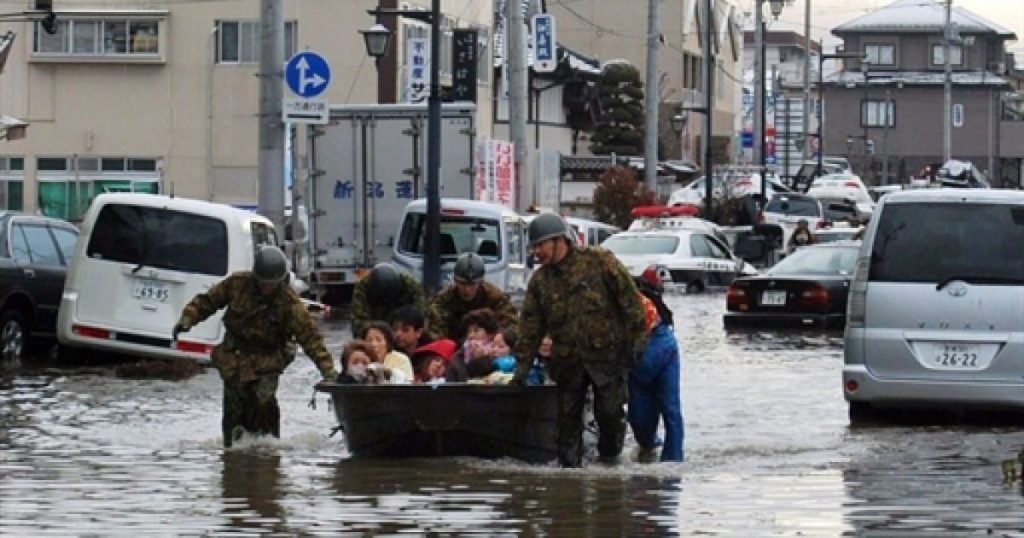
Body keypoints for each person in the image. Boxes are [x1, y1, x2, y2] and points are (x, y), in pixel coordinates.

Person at [512, 213, 647, 467]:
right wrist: (521, 370)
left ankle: (609, 466)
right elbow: (530, 328)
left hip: (606, 359)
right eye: (534, 247)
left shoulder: (599, 262)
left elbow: (631, 303)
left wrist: (637, 343)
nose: (537, 252)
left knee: (609, 414)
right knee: (567, 425)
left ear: (559, 240)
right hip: (568, 363)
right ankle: (569, 483)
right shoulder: (540, 282)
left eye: (541, 245)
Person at [172, 246, 337, 448]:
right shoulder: (237, 284)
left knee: (263, 401)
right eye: (263, 283)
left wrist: (328, 371)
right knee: (234, 406)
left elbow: (311, 339)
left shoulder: (290, 304)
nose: (266, 288)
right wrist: (187, 319)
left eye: (271, 284)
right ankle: (232, 452)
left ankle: (269, 449)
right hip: (235, 355)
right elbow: (207, 302)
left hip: (269, 357)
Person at [628, 266, 684, 463]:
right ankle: (649, 449)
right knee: (639, 418)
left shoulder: (638, 304)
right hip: (638, 364)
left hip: (662, 353)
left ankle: (673, 464)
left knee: (671, 412)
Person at [426, 252, 518, 342]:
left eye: (472, 284)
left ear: (480, 282)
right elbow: (435, 333)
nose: (467, 289)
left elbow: (511, 327)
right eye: (462, 284)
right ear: (455, 280)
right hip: (452, 346)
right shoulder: (443, 300)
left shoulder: (495, 298)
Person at [350, 262, 427, 338]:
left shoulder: (412, 286)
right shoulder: (363, 288)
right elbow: (359, 320)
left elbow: (420, 317)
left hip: (402, 321)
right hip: (376, 321)